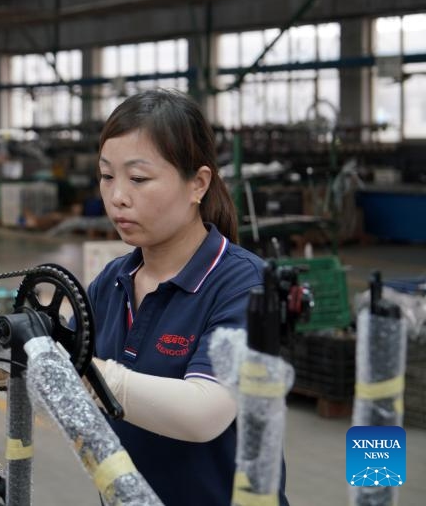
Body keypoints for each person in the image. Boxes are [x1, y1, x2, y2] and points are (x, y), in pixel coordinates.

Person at [85, 88, 287, 505]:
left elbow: (204, 413)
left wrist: (93, 374)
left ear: (198, 184)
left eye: (138, 179)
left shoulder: (243, 285)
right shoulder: (113, 281)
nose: (117, 196)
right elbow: (51, 356)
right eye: (107, 176)